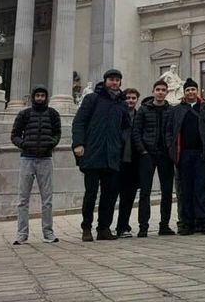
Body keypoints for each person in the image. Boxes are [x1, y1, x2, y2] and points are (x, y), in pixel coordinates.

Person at [72, 69, 130, 241]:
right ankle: (86, 227)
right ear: (105, 81)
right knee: (91, 193)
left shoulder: (122, 104)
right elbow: (79, 122)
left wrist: (120, 141)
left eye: (117, 80)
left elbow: (126, 126)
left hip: (112, 155)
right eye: (111, 79)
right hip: (92, 153)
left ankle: (104, 228)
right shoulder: (93, 99)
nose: (114, 83)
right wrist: (78, 143)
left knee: (110, 194)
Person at [167, 78, 205, 235]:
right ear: (184, 92)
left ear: (197, 91)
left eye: (193, 89)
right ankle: (186, 223)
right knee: (184, 190)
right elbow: (169, 132)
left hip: (201, 155)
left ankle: (204, 222)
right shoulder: (177, 110)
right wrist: (172, 151)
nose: (190, 92)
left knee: (202, 189)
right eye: (188, 90)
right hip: (182, 155)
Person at [10, 85, 61, 245]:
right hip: (27, 159)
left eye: (42, 96)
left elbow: (57, 133)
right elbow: (14, 135)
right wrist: (24, 144)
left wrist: (51, 144)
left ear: (46, 97)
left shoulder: (53, 114)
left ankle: (48, 233)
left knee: (47, 200)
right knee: (23, 199)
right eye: (37, 95)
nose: (40, 98)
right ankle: (21, 234)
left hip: (45, 159)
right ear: (33, 97)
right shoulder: (24, 114)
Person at [132, 79, 176, 237]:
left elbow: (174, 131)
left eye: (163, 90)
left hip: (165, 155)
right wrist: (142, 150)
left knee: (167, 191)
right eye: (157, 89)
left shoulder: (171, 110)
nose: (160, 92)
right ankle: (143, 226)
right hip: (147, 155)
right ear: (153, 92)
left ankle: (164, 225)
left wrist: (170, 149)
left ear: (167, 93)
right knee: (145, 192)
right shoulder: (144, 109)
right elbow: (136, 132)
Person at [115, 88, 141, 238]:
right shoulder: (117, 115)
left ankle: (123, 225)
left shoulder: (140, 116)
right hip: (117, 160)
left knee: (128, 197)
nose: (130, 100)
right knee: (112, 195)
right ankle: (105, 226)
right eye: (128, 98)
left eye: (133, 98)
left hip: (133, 161)